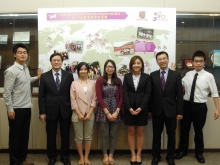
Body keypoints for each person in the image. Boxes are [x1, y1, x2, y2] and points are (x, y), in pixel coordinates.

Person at [175, 50, 219, 163]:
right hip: (186, 106)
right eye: (196, 61)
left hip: (200, 108)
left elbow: (214, 93)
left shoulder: (209, 76)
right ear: (193, 62)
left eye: (201, 61)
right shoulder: (187, 74)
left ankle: (199, 153)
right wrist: (174, 72)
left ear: (204, 62)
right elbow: (179, 84)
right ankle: (182, 151)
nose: (198, 63)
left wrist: (217, 109)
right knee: (184, 130)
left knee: (198, 131)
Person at [3, 43, 42, 165]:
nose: (22, 54)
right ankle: (15, 162)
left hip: (26, 107)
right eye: (20, 52)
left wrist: (37, 77)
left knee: (24, 136)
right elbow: (7, 93)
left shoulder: (25, 68)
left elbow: (26, 80)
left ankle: (22, 159)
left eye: (24, 52)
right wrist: (10, 109)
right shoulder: (11, 71)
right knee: (15, 137)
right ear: (14, 54)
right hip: (16, 109)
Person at [38, 53, 74, 165]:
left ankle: (65, 156)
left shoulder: (68, 75)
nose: (56, 62)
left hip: (65, 109)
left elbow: (72, 94)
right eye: (54, 60)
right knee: (51, 135)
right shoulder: (44, 76)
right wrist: (42, 112)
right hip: (50, 110)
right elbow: (41, 96)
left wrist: (72, 109)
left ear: (62, 62)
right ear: (51, 62)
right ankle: (52, 157)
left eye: (58, 60)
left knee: (65, 134)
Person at [149, 51, 183, 165]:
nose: (162, 61)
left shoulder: (176, 75)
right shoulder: (152, 75)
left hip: (171, 111)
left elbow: (179, 95)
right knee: (156, 135)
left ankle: (170, 157)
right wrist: (149, 110)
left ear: (168, 60)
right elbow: (151, 94)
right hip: (157, 110)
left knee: (171, 136)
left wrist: (180, 111)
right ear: (157, 62)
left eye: (164, 58)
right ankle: (156, 156)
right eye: (160, 59)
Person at [123, 55, 151, 165]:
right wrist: (129, 107)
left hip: (142, 109)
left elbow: (148, 93)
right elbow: (125, 92)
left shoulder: (146, 77)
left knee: (140, 132)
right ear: (131, 65)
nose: (136, 65)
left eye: (138, 63)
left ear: (142, 65)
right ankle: (132, 154)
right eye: (134, 63)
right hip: (129, 108)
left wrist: (141, 107)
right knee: (130, 132)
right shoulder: (127, 76)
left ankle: (138, 154)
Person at [96, 59, 123, 165]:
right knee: (104, 134)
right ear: (105, 68)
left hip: (116, 109)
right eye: (108, 66)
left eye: (112, 67)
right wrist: (107, 112)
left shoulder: (118, 81)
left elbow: (121, 97)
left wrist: (116, 112)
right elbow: (99, 97)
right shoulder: (100, 80)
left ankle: (111, 154)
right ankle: (105, 155)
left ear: (114, 68)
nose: (110, 68)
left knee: (113, 134)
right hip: (103, 110)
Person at [70, 62, 97, 165]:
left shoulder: (92, 83)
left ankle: (86, 157)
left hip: (89, 113)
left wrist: (89, 113)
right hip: (77, 114)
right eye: (81, 69)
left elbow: (94, 99)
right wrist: (79, 113)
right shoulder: (74, 83)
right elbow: (73, 100)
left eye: (85, 69)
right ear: (78, 71)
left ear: (88, 70)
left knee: (88, 137)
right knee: (79, 137)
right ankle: (81, 157)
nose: (83, 71)